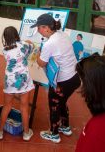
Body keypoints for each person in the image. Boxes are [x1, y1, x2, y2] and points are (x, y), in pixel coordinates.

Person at [33, 14, 81, 143]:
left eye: (39, 28)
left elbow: (41, 63)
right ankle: (65, 127)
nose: (38, 31)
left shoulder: (50, 43)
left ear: (46, 28)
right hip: (75, 78)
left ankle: (54, 134)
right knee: (62, 101)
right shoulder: (62, 34)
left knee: (54, 104)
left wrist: (38, 53)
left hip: (63, 82)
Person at [0, 26, 34, 141]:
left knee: (7, 106)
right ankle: (26, 133)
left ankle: (0, 131)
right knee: (24, 108)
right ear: (17, 35)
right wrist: (27, 41)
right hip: (24, 80)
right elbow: (31, 46)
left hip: (10, 81)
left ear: (5, 38)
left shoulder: (5, 49)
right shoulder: (24, 46)